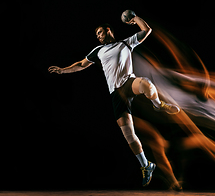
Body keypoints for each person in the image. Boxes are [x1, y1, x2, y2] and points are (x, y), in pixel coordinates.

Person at [48, 14, 180, 187]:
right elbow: (81, 64)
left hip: (128, 83)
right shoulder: (98, 51)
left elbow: (147, 30)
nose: (99, 36)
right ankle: (146, 165)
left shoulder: (126, 43)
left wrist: (135, 18)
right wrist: (62, 70)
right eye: (97, 34)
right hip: (116, 94)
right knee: (129, 135)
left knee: (146, 84)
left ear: (108, 30)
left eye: (100, 32)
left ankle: (159, 105)